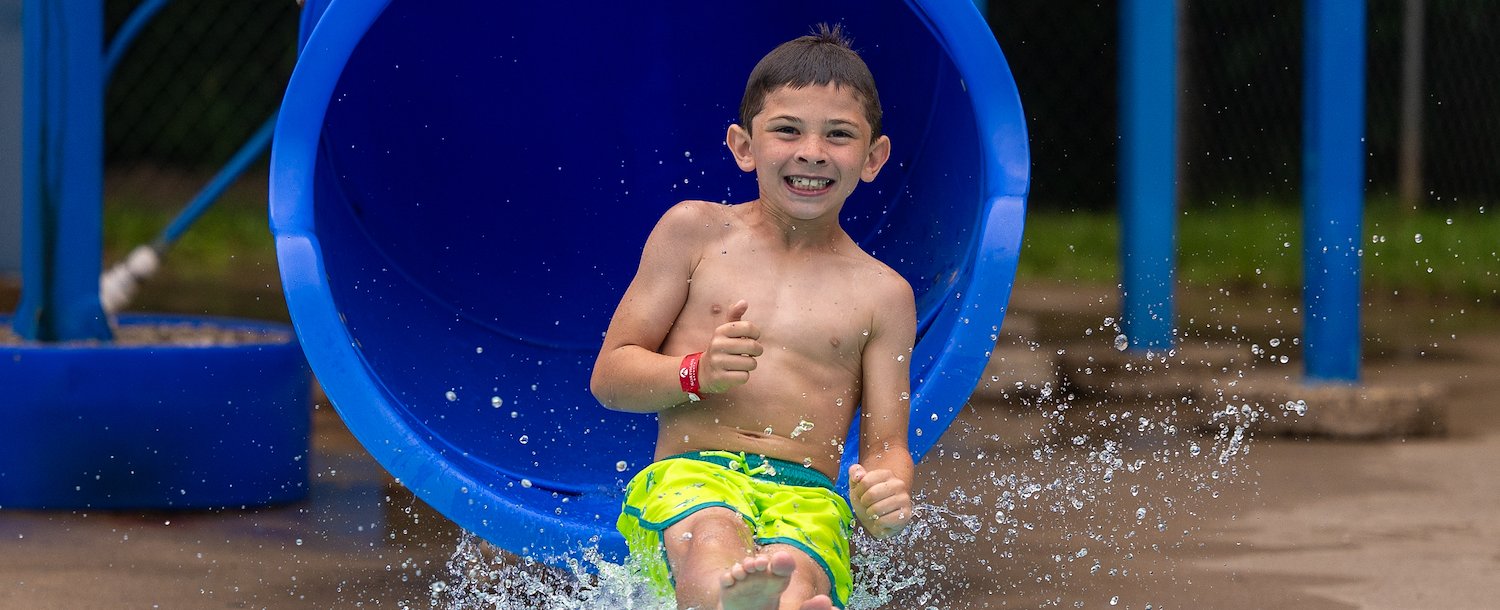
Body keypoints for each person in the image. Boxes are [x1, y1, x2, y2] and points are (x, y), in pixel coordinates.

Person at [591, 24, 916, 610]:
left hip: (809, 492)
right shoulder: (694, 233)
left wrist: (887, 495)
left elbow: (887, 443)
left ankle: (777, 603)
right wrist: (695, 374)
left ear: (873, 159)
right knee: (714, 538)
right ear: (744, 146)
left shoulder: (884, 293)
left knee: (795, 572)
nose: (812, 151)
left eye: (838, 136)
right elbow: (611, 380)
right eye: (787, 130)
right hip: (695, 475)